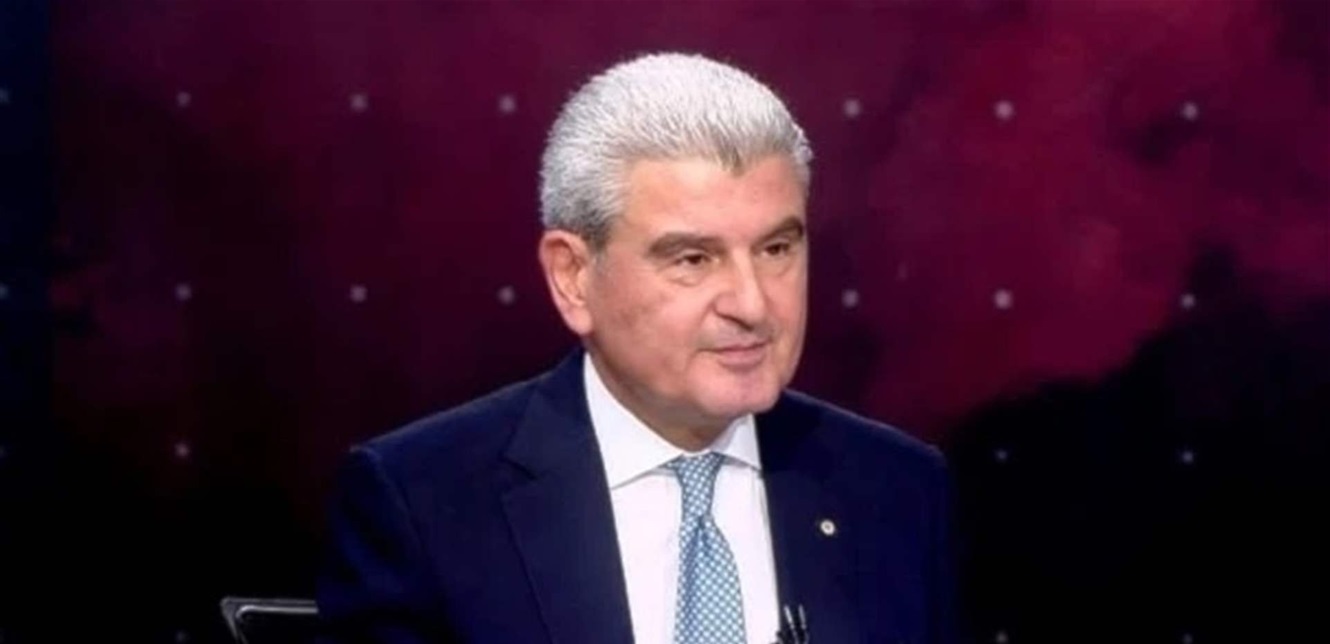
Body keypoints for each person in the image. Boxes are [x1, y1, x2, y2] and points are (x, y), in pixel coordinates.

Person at [316, 52, 959, 644]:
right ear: (573, 276)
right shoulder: (425, 502)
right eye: (693, 259)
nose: (753, 303)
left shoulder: (897, 489)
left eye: (776, 249)